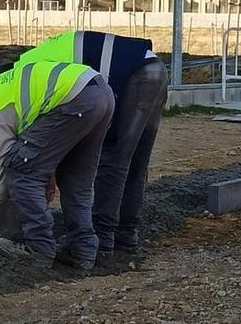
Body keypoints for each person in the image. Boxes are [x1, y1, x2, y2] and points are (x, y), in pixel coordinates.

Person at [0, 60, 115, 270]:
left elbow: (11, 172)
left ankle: (39, 250)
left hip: (72, 99)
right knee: (76, 179)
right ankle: (82, 253)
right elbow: (42, 148)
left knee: (21, 171)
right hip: (100, 91)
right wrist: (47, 174)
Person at [14, 31, 168, 256]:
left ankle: (103, 237)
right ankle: (126, 235)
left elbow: (53, 131)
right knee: (135, 162)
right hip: (154, 68)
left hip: (133, 76)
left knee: (112, 158)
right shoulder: (36, 58)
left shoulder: (25, 75)